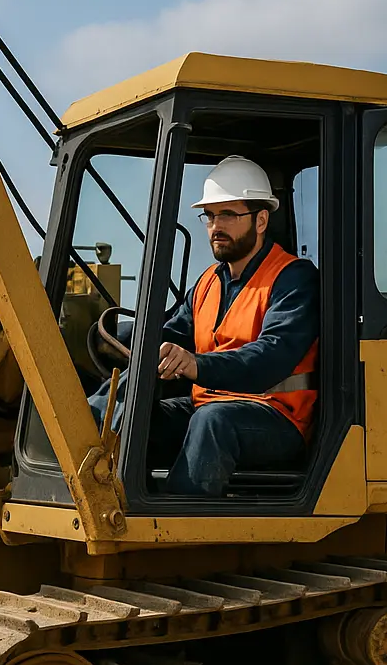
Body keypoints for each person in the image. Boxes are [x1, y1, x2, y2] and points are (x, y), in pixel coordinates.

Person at [89, 155, 319, 496]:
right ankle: (99, 488)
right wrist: (122, 339)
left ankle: (172, 527)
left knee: (212, 423)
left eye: (228, 214)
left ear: (261, 220)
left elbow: (271, 356)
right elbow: (171, 331)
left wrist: (196, 364)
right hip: (207, 405)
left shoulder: (293, 278)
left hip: (275, 417)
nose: (215, 226)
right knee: (136, 401)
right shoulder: (209, 282)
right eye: (209, 216)